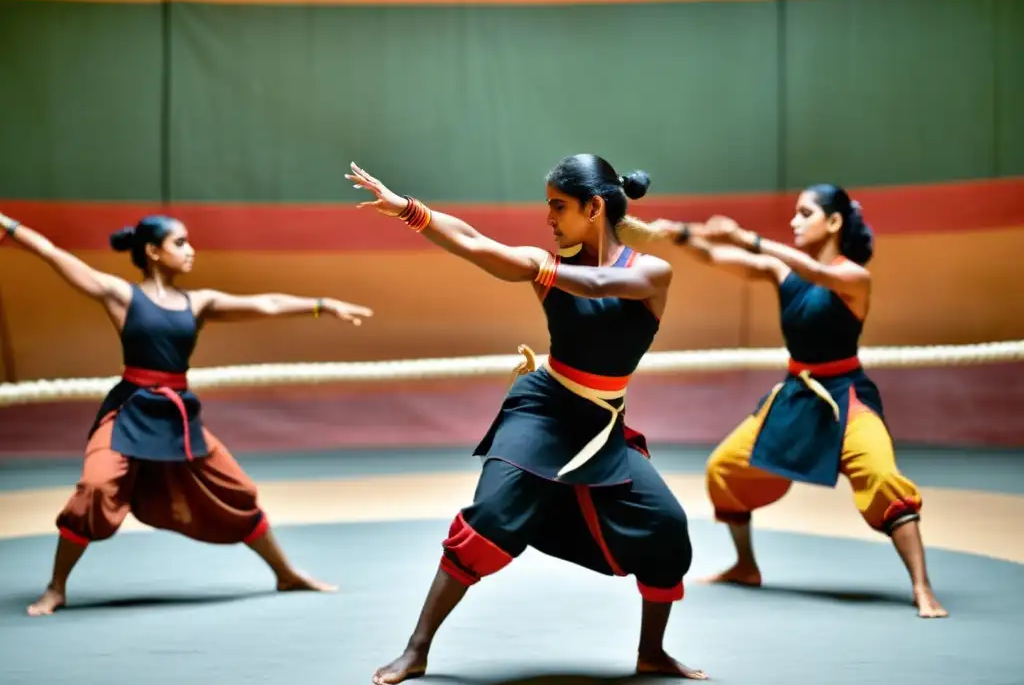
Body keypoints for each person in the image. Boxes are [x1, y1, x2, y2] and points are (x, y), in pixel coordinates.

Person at [346, 156, 708, 683]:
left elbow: (602, 284)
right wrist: (408, 210)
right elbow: (473, 242)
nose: (549, 219)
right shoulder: (548, 266)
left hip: (602, 425)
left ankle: (651, 653)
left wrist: (535, 268)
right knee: (489, 517)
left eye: (558, 207)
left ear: (595, 207)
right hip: (544, 410)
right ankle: (416, 649)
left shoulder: (651, 273)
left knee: (666, 529)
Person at [0, 211, 373, 616]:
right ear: (153, 251)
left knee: (240, 492)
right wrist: (10, 228)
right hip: (130, 409)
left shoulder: (199, 303)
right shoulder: (122, 296)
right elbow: (52, 253)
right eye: (180, 243)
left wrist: (321, 304)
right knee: (94, 487)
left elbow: (267, 303)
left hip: (177, 416)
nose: (190, 250)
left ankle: (285, 573)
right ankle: (56, 587)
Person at [652, 184, 947, 618]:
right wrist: (680, 234)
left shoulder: (853, 277)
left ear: (833, 222)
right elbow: (718, 257)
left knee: (884, 480)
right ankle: (746, 566)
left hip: (847, 396)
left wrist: (746, 237)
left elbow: (817, 273)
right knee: (724, 469)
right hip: (796, 393)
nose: (793, 222)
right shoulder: (783, 272)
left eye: (804, 213)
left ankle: (923, 587)